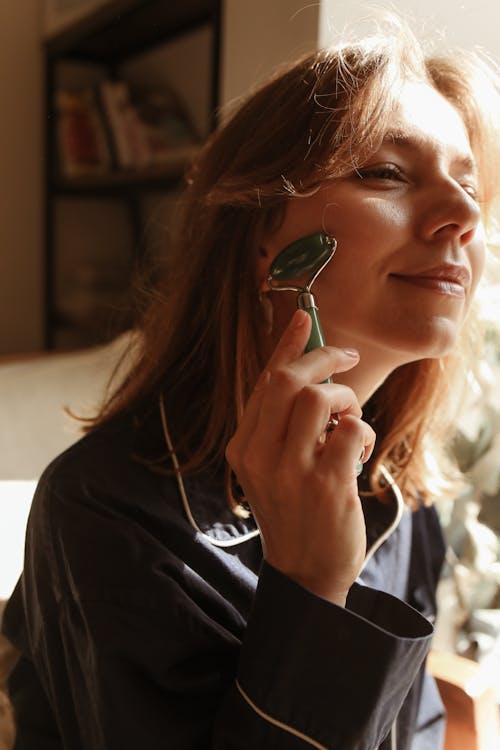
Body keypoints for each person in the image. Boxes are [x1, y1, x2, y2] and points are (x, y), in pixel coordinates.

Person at [2, 16, 500, 750]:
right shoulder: (104, 514)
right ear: (259, 235)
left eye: (468, 184)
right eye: (387, 172)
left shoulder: (393, 488)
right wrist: (309, 591)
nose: (465, 215)